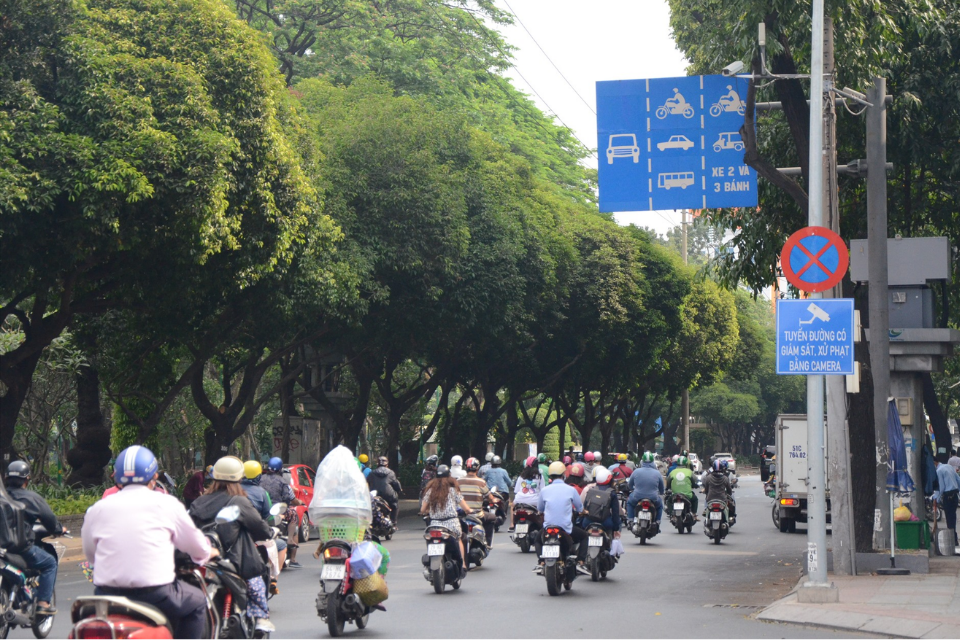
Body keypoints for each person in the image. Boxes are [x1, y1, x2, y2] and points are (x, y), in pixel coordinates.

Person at [82, 447, 213, 639]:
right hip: (156, 595)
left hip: (106, 596)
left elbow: (91, 555)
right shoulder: (167, 504)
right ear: (154, 476)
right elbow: (199, 550)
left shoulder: (97, 509)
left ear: (117, 477)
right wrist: (208, 552)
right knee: (198, 602)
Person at [189, 456, 274, 633]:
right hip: (233, 562)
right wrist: (270, 531)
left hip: (202, 559)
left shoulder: (199, 502)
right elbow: (260, 528)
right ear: (239, 478)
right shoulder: (239, 502)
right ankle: (259, 618)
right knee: (256, 580)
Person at [4, 461, 64, 615]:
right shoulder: (32, 498)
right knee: (50, 563)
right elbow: (50, 520)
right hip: (20, 548)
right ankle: (43, 603)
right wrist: (59, 529)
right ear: (27, 479)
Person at [535, 461, 589, 576]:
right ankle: (580, 561)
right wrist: (584, 512)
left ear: (550, 476)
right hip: (565, 528)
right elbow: (579, 508)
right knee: (584, 536)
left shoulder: (544, 491)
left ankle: (541, 562)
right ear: (564, 475)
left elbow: (540, 508)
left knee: (537, 540)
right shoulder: (571, 490)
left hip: (548, 528)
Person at [420, 465, 473, 576]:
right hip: (451, 524)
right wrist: (469, 510)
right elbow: (466, 508)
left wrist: (427, 512)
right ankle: (463, 564)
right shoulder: (453, 491)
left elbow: (422, 509)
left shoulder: (430, 491)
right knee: (459, 538)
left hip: (434, 525)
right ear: (449, 477)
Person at [241, 460, 286, 589]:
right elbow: (269, 517)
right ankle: (273, 579)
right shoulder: (261, 492)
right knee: (281, 544)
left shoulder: (230, 492)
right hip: (256, 536)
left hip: (232, 538)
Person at [259, 457, 303, 569]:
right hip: (278, 510)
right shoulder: (283, 482)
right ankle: (292, 554)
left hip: (262, 511)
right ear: (280, 469)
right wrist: (299, 502)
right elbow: (288, 499)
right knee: (293, 514)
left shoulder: (260, 478)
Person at [458, 457, 494, 545]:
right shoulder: (481, 482)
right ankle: (487, 542)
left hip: (461, 515)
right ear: (477, 469)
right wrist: (494, 500)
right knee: (492, 518)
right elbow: (490, 498)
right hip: (477, 515)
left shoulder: (458, 481)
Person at [579, 467, 621, 540]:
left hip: (588, 522)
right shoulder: (611, 493)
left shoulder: (590, 490)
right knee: (618, 523)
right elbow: (615, 512)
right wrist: (616, 528)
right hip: (605, 522)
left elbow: (585, 507)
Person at [627, 452, 665, 522]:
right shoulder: (657, 473)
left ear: (642, 461)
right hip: (653, 498)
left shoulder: (636, 471)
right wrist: (661, 493)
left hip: (637, 496)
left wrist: (632, 489)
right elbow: (661, 487)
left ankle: (630, 520)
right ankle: (657, 521)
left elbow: (630, 484)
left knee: (629, 503)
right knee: (660, 506)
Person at [933, 456, 960, 553]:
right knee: (953, 517)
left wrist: (936, 498)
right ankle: (954, 539)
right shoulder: (948, 466)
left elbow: (941, 487)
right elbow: (958, 480)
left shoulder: (939, 471)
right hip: (955, 496)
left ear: (934, 463)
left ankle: (952, 540)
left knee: (949, 519)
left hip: (948, 496)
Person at [367, 456, 402, 526]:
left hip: (375, 496)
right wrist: (399, 490)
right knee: (394, 506)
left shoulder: (372, 473)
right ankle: (393, 522)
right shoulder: (391, 473)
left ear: (377, 464)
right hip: (388, 495)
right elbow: (395, 484)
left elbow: (367, 482)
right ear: (387, 464)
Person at [512, 457, 543, 529]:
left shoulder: (521, 476)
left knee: (512, 507)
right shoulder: (539, 476)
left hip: (519, 500)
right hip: (534, 501)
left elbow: (516, 491)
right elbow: (543, 491)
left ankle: (511, 525)